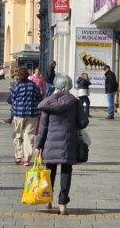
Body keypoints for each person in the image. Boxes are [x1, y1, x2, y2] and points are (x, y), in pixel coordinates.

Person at [35, 74, 89, 216]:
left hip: (49, 144)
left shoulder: (48, 103)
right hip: (68, 142)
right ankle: (63, 204)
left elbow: (43, 127)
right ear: (69, 86)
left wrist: (37, 146)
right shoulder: (75, 102)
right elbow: (83, 123)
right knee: (66, 171)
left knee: (50, 171)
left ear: (56, 85)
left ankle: (48, 199)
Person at [10, 68, 42, 166]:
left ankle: (18, 156)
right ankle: (26, 159)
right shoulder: (34, 86)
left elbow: (12, 99)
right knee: (29, 136)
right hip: (32, 114)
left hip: (19, 114)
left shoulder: (16, 86)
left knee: (18, 134)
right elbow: (40, 99)